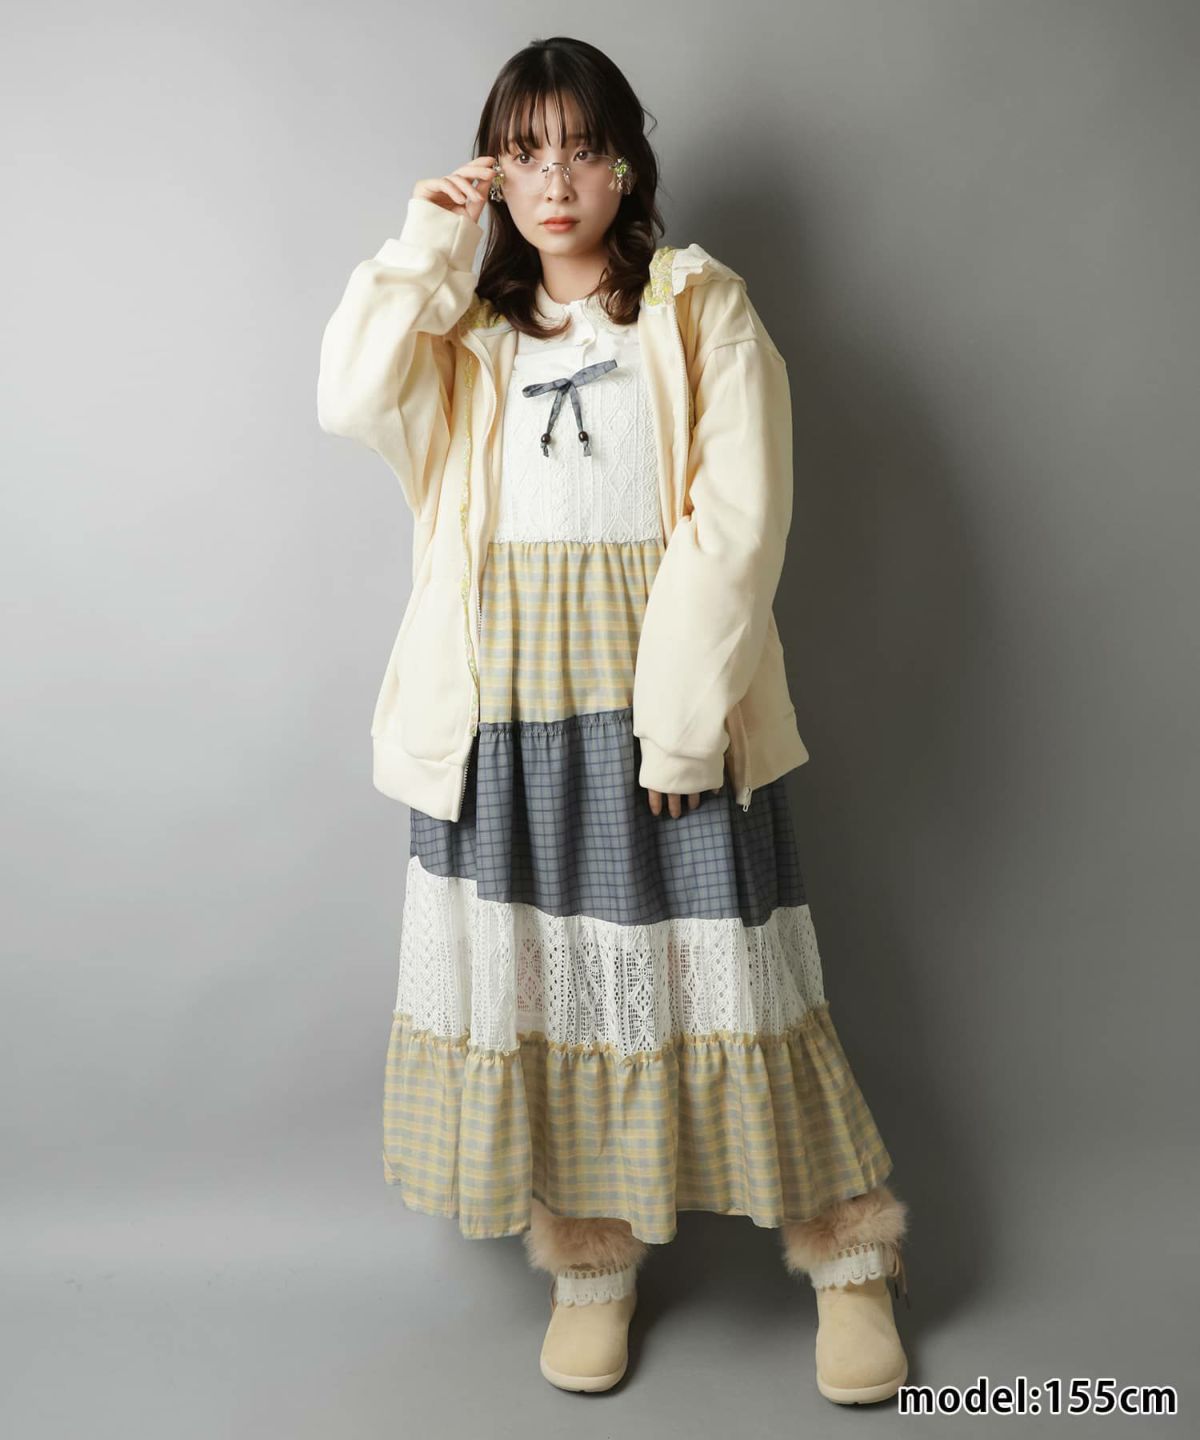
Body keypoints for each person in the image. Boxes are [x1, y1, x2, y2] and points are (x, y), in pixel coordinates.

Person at [317, 34, 911, 1404]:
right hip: (504, 712)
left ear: (626, 164)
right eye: (525, 153)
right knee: (548, 993)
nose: (555, 181)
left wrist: (683, 724)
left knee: (742, 982)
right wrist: (424, 244)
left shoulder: (698, 307)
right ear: (494, 172)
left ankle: (850, 1261)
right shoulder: (463, 337)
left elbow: (739, 526)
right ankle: (590, 1266)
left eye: (582, 149)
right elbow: (346, 398)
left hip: (664, 697)